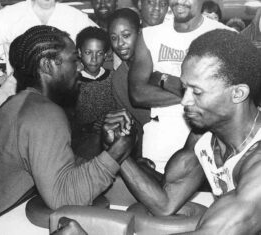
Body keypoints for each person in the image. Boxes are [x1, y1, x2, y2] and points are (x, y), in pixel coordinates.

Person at [0, 25, 136, 233]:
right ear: (47, 65)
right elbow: (64, 198)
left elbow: (65, 164)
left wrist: (114, 157)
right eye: (73, 60)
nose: (79, 68)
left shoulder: (25, 103)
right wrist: (117, 152)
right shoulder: (42, 113)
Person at [111, 29, 261, 234]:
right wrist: (119, 154)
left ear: (238, 93)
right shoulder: (206, 138)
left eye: (197, 92)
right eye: (184, 88)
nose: (184, 101)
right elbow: (165, 203)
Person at [129, 0, 234, 174]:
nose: (180, 1)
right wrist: (200, 94)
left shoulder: (224, 36)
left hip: (208, 140)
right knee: (154, 197)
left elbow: (225, 96)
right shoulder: (150, 36)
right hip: (159, 140)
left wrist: (164, 80)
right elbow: (137, 94)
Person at [0, 0, 97, 116]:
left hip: (63, 89)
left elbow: (99, 41)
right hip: (17, 87)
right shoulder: (11, 14)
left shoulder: (75, 17)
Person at [108, 8, 149, 157]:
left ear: (139, 32)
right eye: (113, 38)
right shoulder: (118, 80)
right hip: (150, 152)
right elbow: (133, 128)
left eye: (126, 35)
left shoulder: (159, 63)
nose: (120, 44)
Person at [70, 26, 116, 157]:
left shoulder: (114, 78)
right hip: (83, 147)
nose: (94, 59)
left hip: (113, 143)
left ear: (106, 54)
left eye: (99, 53)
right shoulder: (71, 84)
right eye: (88, 52)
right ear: (79, 52)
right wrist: (88, 127)